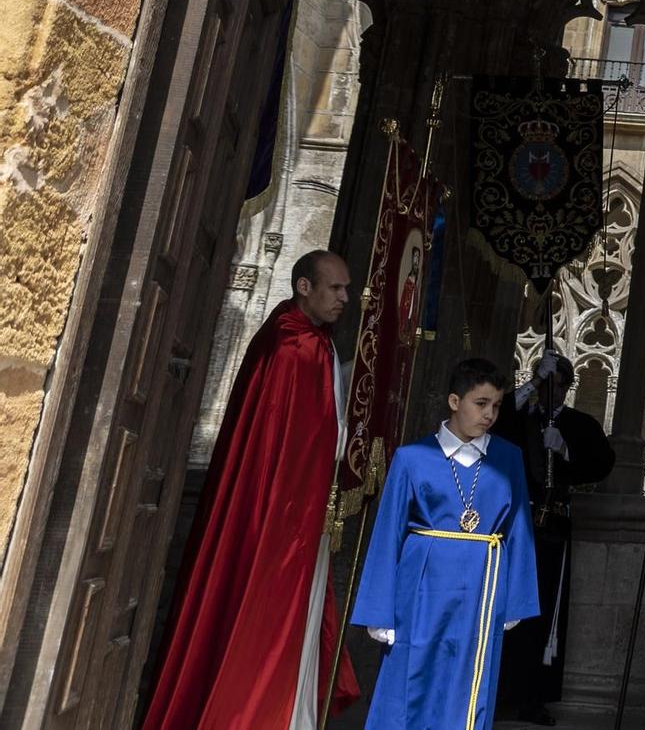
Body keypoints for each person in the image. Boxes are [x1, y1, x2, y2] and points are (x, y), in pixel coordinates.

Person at [142, 250, 360, 729]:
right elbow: (282, 448)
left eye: (347, 288)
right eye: (335, 288)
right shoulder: (290, 347)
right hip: (281, 517)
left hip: (301, 513)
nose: (346, 297)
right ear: (304, 287)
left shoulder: (312, 342)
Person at [352, 356, 540, 729]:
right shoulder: (412, 458)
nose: (489, 414)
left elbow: (519, 528)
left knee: (470, 677)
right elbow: (388, 532)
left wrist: (515, 598)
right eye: (481, 403)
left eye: (497, 406)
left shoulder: (508, 458)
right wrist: (378, 609)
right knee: (411, 674)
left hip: (482, 589)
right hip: (421, 587)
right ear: (455, 402)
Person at [495, 350, 616, 724]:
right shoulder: (521, 419)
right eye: (546, 384)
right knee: (505, 610)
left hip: (552, 527)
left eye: (556, 385)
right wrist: (531, 382)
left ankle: (534, 697)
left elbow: (601, 463)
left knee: (542, 613)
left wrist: (565, 449)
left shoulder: (579, 424)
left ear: (567, 388)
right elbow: (494, 421)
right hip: (515, 526)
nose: (551, 392)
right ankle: (499, 692)